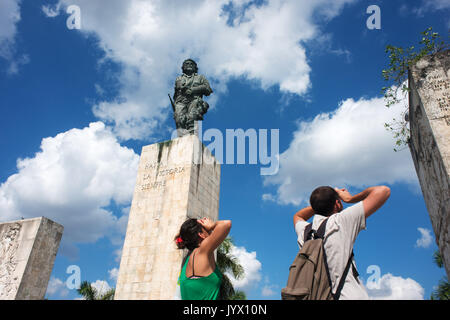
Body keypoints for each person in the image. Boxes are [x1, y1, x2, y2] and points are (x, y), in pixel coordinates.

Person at [293, 185, 390, 300]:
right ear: (337, 204)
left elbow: (298, 215)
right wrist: (350, 198)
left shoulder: (305, 232)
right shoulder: (340, 221)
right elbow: (383, 191)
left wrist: (321, 203)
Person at [175, 217, 231, 300]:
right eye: (206, 229)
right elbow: (226, 224)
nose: (210, 232)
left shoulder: (186, 261)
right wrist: (212, 225)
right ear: (201, 235)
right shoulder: (204, 250)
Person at [172, 59, 213, 135]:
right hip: (181, 101)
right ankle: (182, 138)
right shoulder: (179, 78)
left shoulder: (201, 77)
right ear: (183, 68)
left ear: (195, 68)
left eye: (191, 64)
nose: (189, 65)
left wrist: (194, 90)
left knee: (192, 119)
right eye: (186, 64)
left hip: (195, 100)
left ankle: (192, 136)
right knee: (179, 119)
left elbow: (208, 89)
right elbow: (177, 89)